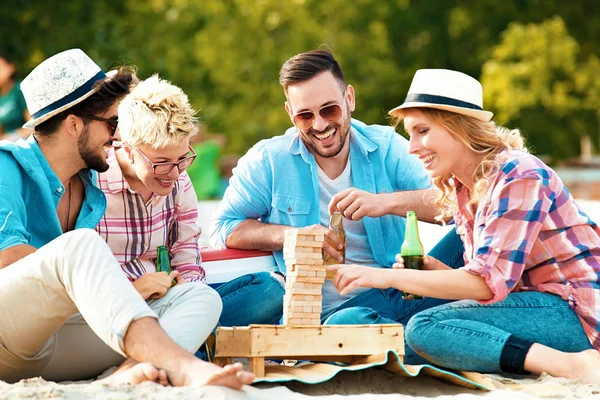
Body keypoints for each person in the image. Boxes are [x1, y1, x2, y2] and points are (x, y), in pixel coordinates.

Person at [0, 48, 253, 388]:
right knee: (79, 245)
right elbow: (8, 261)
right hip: (9, 339)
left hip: (60, 346)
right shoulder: (6, 165)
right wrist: (130, 290)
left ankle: (125, 375)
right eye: (111, 122)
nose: (118, 135)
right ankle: (182, 366)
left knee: (201, 298)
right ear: (74, 124)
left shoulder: (88, 187)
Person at [329, 68, 600, 382]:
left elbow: (486, 284)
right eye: (410, 134)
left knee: (424, 328)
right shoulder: (463, 188)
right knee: (381, 331)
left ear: (457, 127)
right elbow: (492, 284)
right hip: (530, 305)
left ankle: (574, 365)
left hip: (577, 315)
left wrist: (382, 276)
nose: (412, 147)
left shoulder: (519, 174)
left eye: (422, 131)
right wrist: (435, 269)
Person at [210, 49, 465, 332]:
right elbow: (224, 227)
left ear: (350, 99)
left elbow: (455, 206)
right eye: (305, 115)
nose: (320, 125)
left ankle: (416, 331)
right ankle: (424, 330)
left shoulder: (386, 145)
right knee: (350, 322)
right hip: (324, 318)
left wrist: (387, 203)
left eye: (329, 110)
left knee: (468, 235)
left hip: (395, 291)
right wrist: (292, 236)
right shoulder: (268, 159)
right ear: (290, 113)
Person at [90, 74, 226, 374]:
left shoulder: (179, 180)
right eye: (161, 162)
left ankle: (138, 365)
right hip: (103, 313)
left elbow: (188, 258)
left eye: (183, 159)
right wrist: (133, 291)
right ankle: (157, 359)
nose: (174, 173)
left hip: (161, 303)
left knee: (218, 297)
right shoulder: (91, 182)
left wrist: (186, 290)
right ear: (125, 148)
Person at [0, 51, 31, 140]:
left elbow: (33, 126)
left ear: (11, 67)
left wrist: (12, 137)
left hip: (26, 141)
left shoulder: (20, 90)